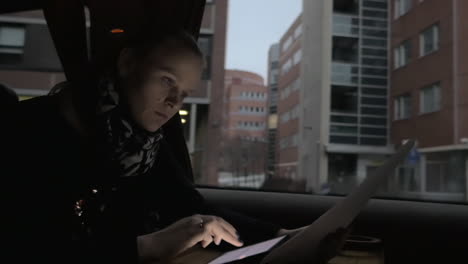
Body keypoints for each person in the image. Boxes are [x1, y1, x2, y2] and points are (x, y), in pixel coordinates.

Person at [2, 28, 346, 264]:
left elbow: (186, 204)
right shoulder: (31, 129)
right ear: (127, 63)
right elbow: (30, 244)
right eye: (167, 80)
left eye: (183, 94)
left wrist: (280, 235)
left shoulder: (146, 139)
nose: (172, 102)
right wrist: (147, 246)